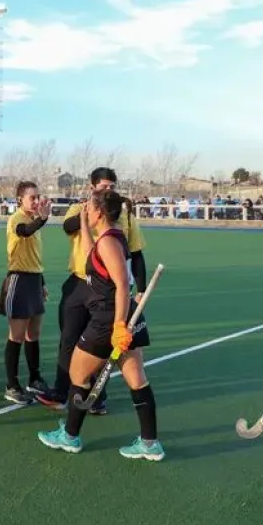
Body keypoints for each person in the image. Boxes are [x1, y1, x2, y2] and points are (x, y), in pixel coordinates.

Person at [37, 189, 164, 461]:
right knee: (137, 380)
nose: (86, 210)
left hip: (110, 318)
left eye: (89, 208)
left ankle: (69, 436)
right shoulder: (108, 237)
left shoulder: (108, 242)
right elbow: (88, 254)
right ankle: (150, 442)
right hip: (123, 317)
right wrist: (83, 222)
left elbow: (120, 285)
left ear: (99, 212)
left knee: (77, 374)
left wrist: (118, 326)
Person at [38, 167, 149, 413]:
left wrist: (140, 288)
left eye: (111, 186)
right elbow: (68, 227)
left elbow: (137, 253)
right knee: (69, 338)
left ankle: (97, 397)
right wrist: (88, 212)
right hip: (79, 283)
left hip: (106, 289)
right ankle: (61, 390)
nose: (108, 190)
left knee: (101, 343)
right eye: (103, 186)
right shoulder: (81, 209)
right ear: (92, 186)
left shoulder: (125, 215)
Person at [0, 181, 51, 404]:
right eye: (32, 198)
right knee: (16, 336)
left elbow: (34, 257)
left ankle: (35, 379)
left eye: (38, 197)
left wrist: (42, 282)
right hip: (18, 281)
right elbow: (25, 232)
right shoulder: (18, 219)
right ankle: (11, 385)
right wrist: (43, 218)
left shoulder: (33, 220)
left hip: (34, 280)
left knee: (33, 334)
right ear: (20, 199)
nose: (37, 201)